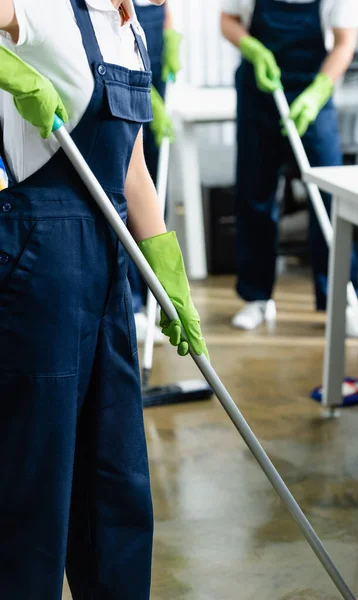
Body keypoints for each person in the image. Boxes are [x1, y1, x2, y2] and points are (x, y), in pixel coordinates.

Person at [0, 1, 207, 598]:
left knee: (114, 484)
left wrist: (166, 271)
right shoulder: (44, 8)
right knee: (33, 490)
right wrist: (10, 70)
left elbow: (133, 171)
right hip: (41, 266)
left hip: (112, 261)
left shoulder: (132, 29)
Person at [221, 0, 358, 337]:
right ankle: (257, 297)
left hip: (313, 88)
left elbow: (344, 43)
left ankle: (343, 302)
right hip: (258, 92)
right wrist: (252, 47)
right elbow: (228, 21)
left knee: (331, 198)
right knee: (254, 193)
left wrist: (319, 91)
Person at [130, 0, 181, 341]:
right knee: (123, 196)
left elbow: (164, 10)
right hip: (124, 85)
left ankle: (154, 301)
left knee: (150, 192)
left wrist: (171, 36)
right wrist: (146, 95)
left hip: (156, 76)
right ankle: (132, 303)